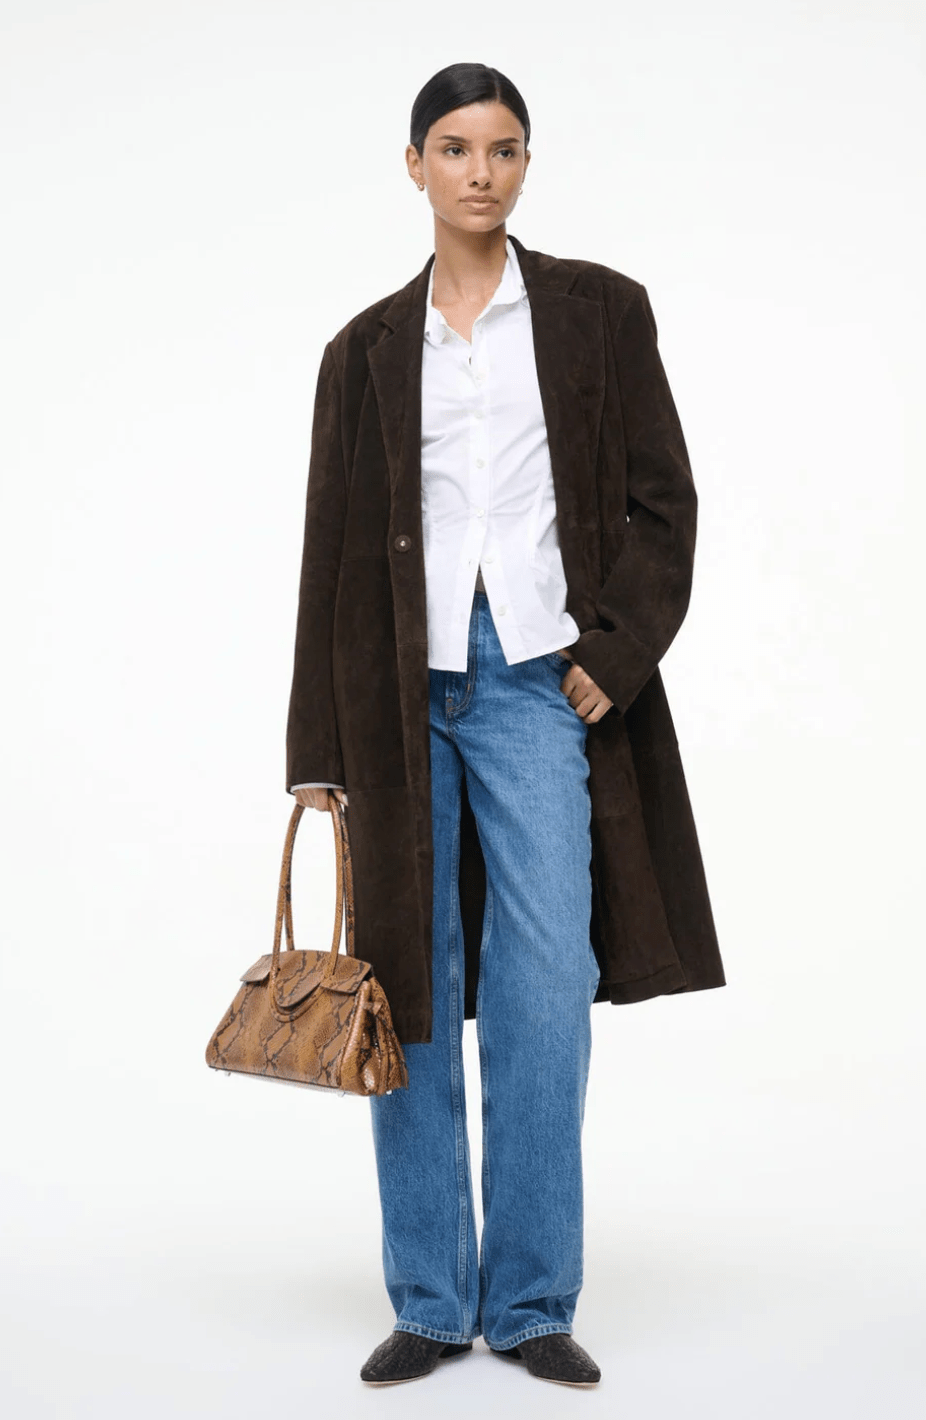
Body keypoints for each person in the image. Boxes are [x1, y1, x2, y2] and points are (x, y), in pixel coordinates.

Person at [287, 62, 723, 1388]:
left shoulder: (600, 312)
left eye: (505, 149)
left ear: (526, 163)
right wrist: (316, 751)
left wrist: (616, 652)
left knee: (543, 989)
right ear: (414, 164)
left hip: (540, 676)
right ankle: (431, 1297)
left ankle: (531, 1303)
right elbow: (330, 551)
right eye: (456, 148)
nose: (481, 172)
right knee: (407, 990)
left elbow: (664, 503)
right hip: (396, 693)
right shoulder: (364, 350)